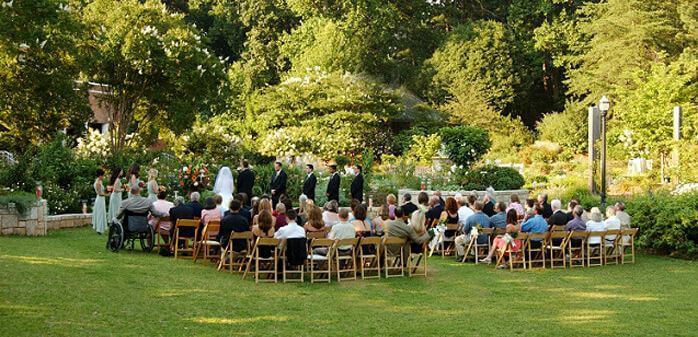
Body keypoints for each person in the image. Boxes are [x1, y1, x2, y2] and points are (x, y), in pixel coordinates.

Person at [92, 169, 108, 234]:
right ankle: (99, 229)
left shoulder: (100, 182)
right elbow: (100, 193)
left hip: (101, 199)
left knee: (102, 213)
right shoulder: (98, 183)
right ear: (100, 175)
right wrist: (107, 195)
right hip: (100, 199)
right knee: (100, 213)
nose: (103, 177)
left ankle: (101, 228)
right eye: (103, 176)